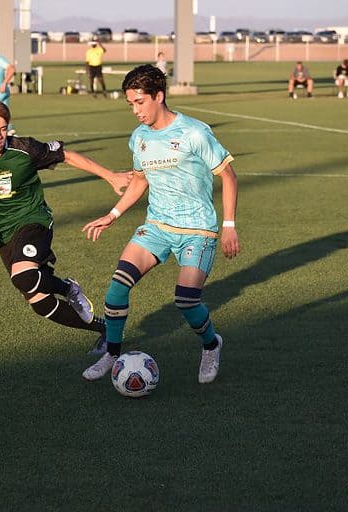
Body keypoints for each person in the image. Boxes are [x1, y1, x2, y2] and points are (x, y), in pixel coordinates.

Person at [81, 64, 240, 385]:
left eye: (140, 102)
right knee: (116, 289)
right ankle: (112, 353)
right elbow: (140, 181)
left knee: (186, 300)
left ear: (159, 96)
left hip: (198, 228)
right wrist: (112, 215)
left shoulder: (194, 133)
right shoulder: (138, 138)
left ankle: (211, 345)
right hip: (157, 226)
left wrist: (229, 224)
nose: (136, 110)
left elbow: (227, 175)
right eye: (131, 104)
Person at [0, 96, 132, 351]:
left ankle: (68, 288)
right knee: (40, 303)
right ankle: (104, 328)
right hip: (3, 234)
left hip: (33, 219)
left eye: (3, 129)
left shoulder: (24, 149)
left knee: (23, 276)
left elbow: (66, 155)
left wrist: (110, 176)